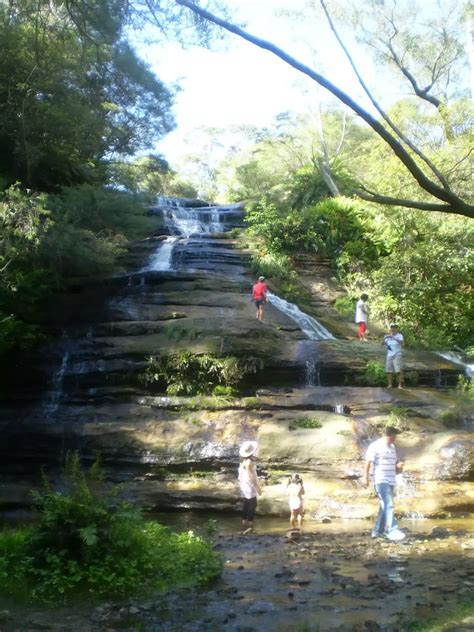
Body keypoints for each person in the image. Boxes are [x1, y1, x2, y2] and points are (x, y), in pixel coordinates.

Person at [363, 426, 406, 541]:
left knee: (384, 507)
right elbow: (367, 462)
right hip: (381, 480)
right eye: (393, 437)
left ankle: (377, 531)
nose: (395, 439)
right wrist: (365, 478)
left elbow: (395, 466)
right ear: (388, 435)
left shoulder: (392, 447)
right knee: (389, 504)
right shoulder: (375, 446)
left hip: (391, 480)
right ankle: (391, 530)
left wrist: (398, 466)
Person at [238, 440, 262, 533]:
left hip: (243, 482)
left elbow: (254, 459)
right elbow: (251, 477)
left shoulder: (244, 459)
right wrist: (257, 488)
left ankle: (244, 523)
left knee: (246, 502)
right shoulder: (248, 463)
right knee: (253, 503)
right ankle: (250, 524)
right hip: (248, 484)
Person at [383, 323, 404, 388]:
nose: (393, 329)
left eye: (394, 327)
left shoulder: (399, 335)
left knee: (398, 371)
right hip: (389, 355)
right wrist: (384, 339)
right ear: (390, 329)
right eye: (392, 328)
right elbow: (382, 344)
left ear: (397, 329)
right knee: (388, 371)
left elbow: (402, 342)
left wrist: (393, 337)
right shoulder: (387, 336)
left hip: (397, 354)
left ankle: (399, 385)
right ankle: (390, 385)